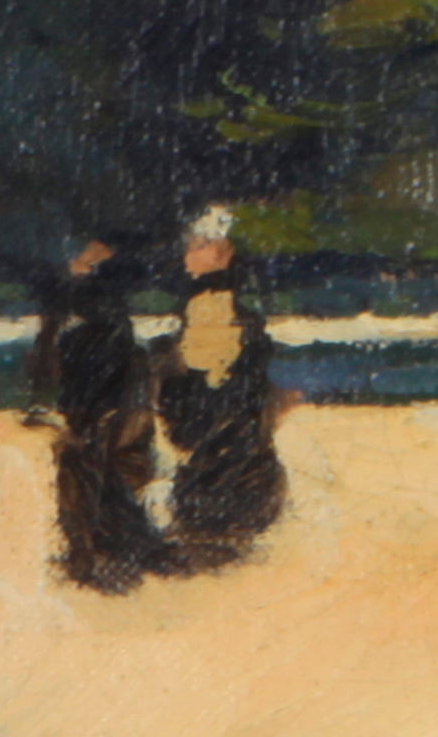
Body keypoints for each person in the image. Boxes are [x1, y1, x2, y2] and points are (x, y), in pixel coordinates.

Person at [153, 207, 289, 571]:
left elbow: (192, 403)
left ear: (220, 253)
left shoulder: (213, 313)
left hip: (223, 470)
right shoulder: (227, 315)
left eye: (196, 245)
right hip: (234, 468)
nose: (187, 252)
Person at [38, 240, 174, 593]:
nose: (74, 267)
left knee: (90, 473)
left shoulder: (81, 331)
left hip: (101, 415)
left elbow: (70, 385)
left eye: (83, 265)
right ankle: (120, 547)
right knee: (107, 476)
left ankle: (98, 552)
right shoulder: (117, 331)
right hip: (115, 412)